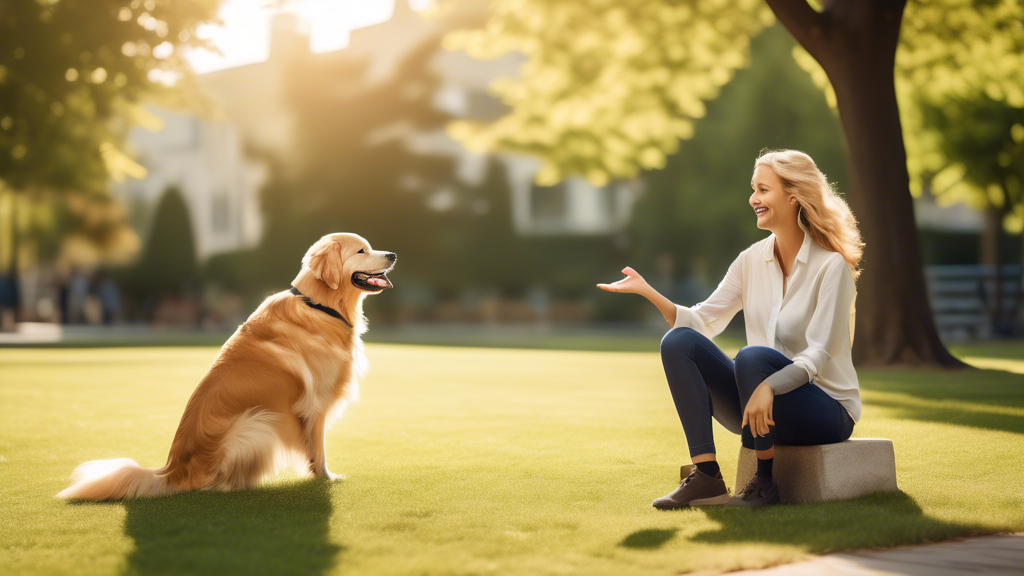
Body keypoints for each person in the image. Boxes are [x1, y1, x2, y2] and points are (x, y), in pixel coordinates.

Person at [598, 149, 863, 509]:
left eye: (763, 190)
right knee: (679, 342)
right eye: (753, 189)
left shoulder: (831, 267)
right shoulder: (751, 260)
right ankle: (706, 477)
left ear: (794, 195)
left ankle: (764, 484)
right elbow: (703, 321)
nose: (753, 199)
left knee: (752, 358)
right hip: (758, 404)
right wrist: (649, 292)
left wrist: (769, 385)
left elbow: (817, 354)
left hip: (824, 411)